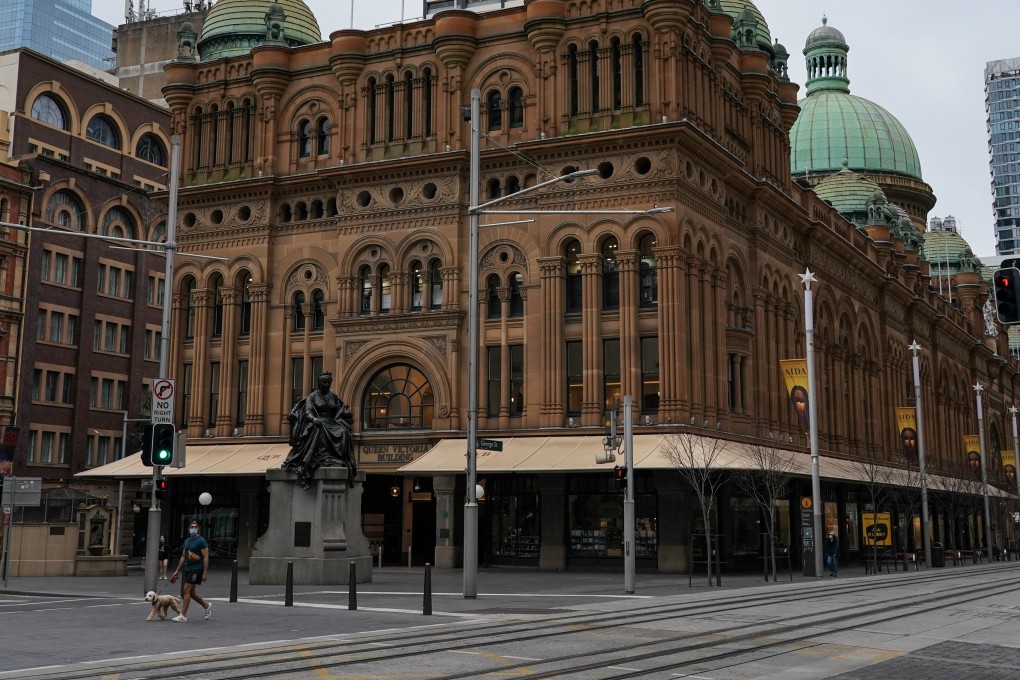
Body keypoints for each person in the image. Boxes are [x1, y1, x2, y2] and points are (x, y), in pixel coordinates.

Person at [283, 372, 355, 489]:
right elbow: (308, 412)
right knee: (319, 430)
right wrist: (314, 419)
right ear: (319, 383)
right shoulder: (312, 397)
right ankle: (322, 456)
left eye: (328, 382)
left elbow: (339, 410)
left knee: (344, 432)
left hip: (332, 423)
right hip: (318, 422)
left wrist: (344, 413)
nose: (327, 384)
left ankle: (336, 458)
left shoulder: (333, 396)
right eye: (324, 382)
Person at [170, 521, 211, 623]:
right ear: (188, 528)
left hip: (197, 568)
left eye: (195, 527)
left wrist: (205, 572)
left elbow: (206, 557)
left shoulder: (201, 541)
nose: (193, 528)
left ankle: (183, 615)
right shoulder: (187, 541)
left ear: (198, 528)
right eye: (192, 527)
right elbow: (183, 556)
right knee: (191, 593)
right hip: (188, 568)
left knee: (186, 590)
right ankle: (206, 605)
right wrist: (177, 571)